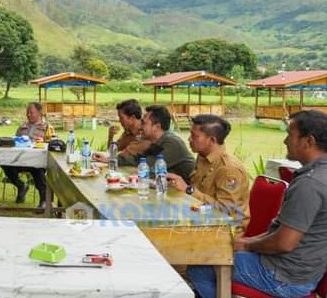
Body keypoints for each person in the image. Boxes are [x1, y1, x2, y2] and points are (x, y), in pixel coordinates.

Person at [188, 110, 327, 298]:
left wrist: (247, 246)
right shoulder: (318, 175)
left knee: (200, 265)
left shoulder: (310, 184)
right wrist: (249, 241)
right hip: (299, 269)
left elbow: (284, 243)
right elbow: (281, 234)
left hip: (284, 276)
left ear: (308, 141)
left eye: (290, 135)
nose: (285, 141)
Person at [166, 114, 250, 231]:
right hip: (200, 219)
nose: (189, 139)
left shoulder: (228, 169)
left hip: (224, 231)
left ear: (211, 140)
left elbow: (226, 209)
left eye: (194, 136)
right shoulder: (203, 157)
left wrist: (188, 190)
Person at [1, 102, 55, 209]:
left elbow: (54, 144)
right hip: (19, 159)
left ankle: (43, 200)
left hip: (37, 160)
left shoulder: (47, 127)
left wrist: (44, 141)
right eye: (27, 112)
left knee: (37, 168)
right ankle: (21, 186)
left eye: (31, 112)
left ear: (39, 113)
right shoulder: (22, 126)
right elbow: (14, 141)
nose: (29, 115)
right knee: (4, 162)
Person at [125, 105, 194, 182]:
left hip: (187, 191)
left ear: (157, 127)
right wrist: (114, 160)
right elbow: (139, 161)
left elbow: (148, 168)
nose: (139, 127)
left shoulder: (172, 143)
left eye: (143, 123)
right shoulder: (157, 142)